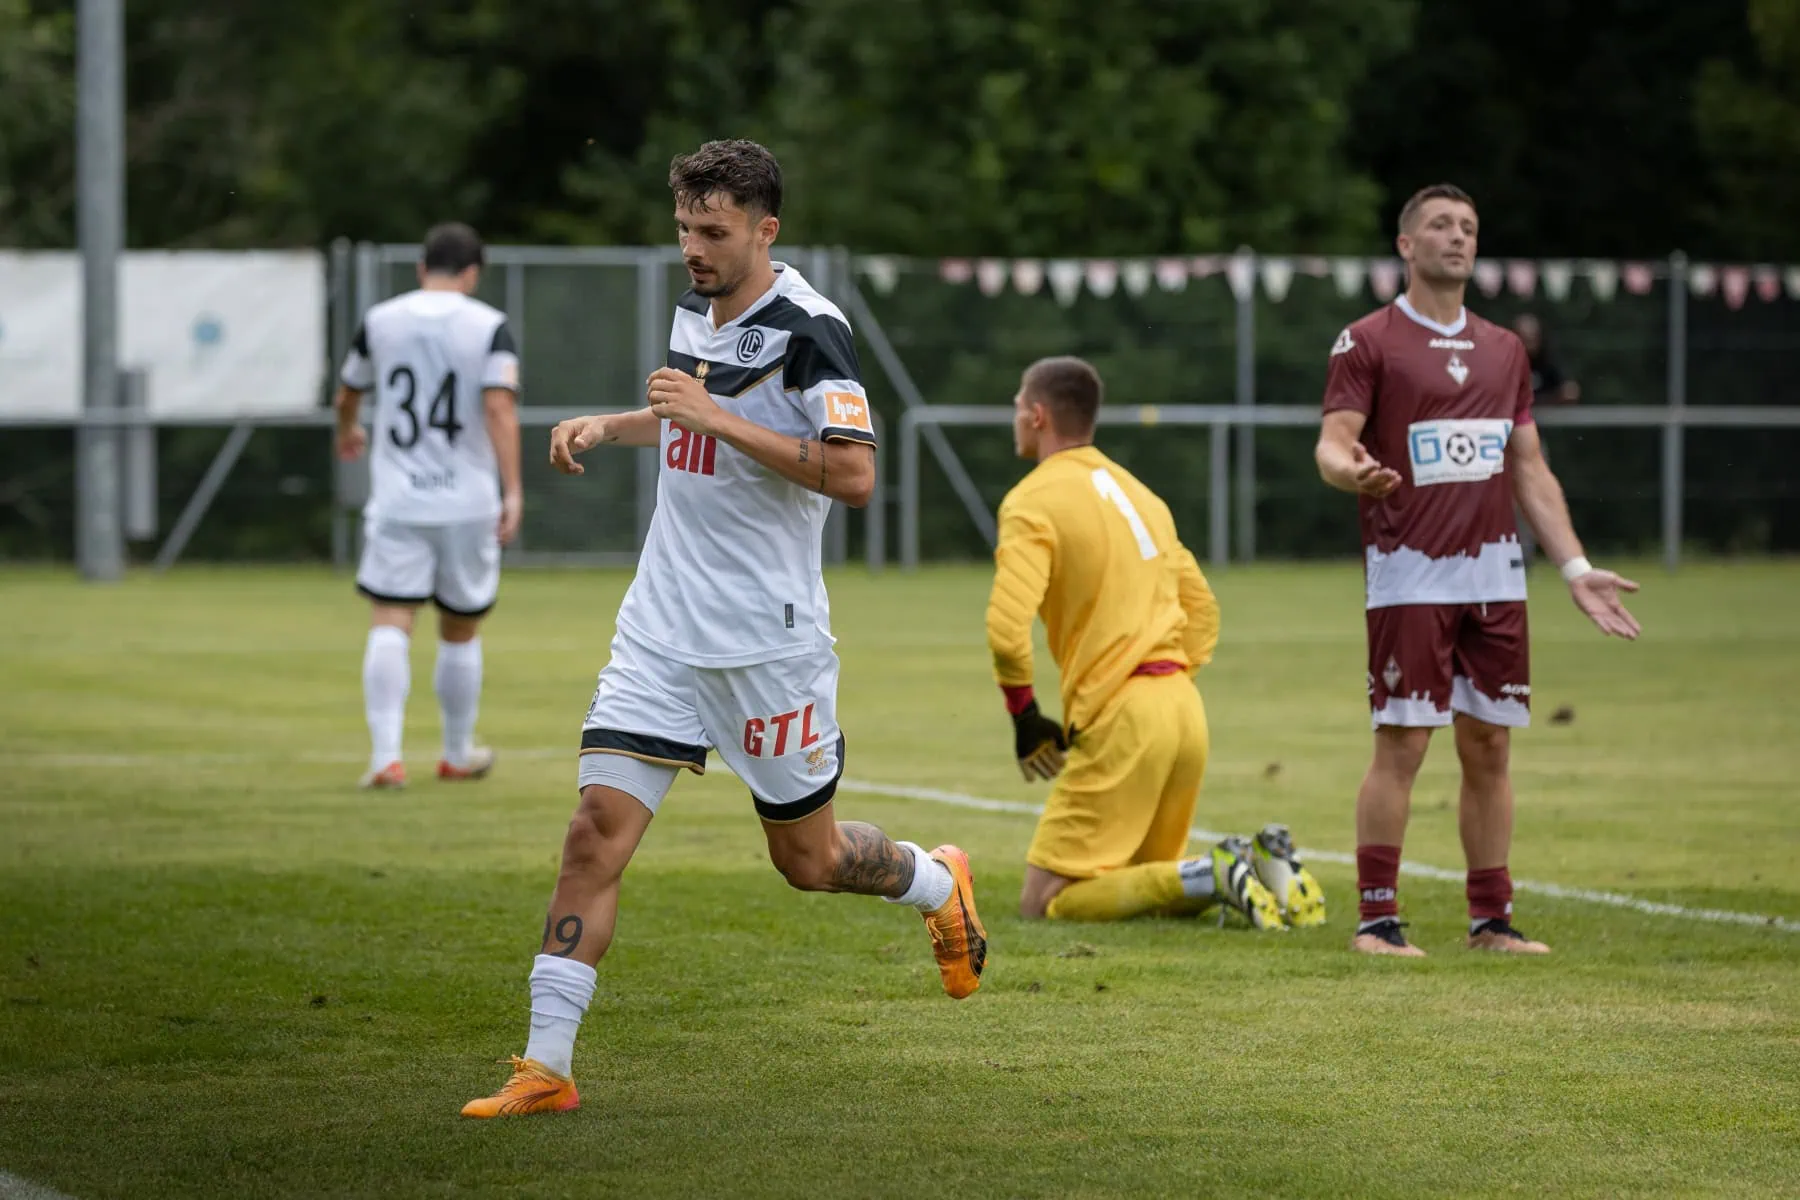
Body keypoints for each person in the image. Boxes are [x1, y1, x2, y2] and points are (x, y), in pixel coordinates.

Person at [460, 140, 986, 1119]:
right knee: (592, 836)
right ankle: (546, 1067)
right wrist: (611, 426)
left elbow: (854, 474)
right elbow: (688, 417)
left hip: (767, 642)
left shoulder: (812, 329)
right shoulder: (696, 311)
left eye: (713, 231)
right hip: (661, 631)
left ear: (765, 230)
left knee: (809, 863)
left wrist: (712, 417)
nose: (694, 249)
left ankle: (933, 880)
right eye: (684, 229)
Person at [1314, 183, 1641, 958]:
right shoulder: (1367, 340)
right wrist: (1351, 471)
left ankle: (1491, 921)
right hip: (1410, 577)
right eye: (1440, 225)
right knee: (1404, 744)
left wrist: (1575, 566)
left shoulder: (1504, 349)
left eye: (1467, 226)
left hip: (1496, 580)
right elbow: (1332, 443)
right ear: (1406, 245)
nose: (1457, 236)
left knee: (1490, 746)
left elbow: (1528, 466)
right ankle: (1377, 921)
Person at [987, 356, 1325, 930]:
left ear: (1038, 416)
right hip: (1183, 709)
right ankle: (1261, 868)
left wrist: (1023, 713)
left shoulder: (1031, 500)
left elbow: (1005, 627)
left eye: (1018, 405)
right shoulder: (1142, 495)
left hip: (1125, 717)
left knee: (1042, 902)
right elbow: (1202, 608)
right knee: (1141, 881)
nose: (1014, 416)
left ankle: (1214, 872)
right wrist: (1166, 680)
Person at [333, 222, 522, 789]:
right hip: (467, 500)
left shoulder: (380, 320)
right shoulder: (489, 326)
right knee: (460, 627)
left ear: (422, 268)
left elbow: (348, 391)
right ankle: (456, 752)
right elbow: (499, 409)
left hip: (400, 499)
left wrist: (348, 429)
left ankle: (385, 758)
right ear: (472, 273)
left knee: (391, 620)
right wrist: (513, 489)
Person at [1512, 313, 1581, 406]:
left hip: (1547, 411)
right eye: (1525, 339)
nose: (1529, 345)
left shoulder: (1548, 359)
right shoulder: (1508, 363)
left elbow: (1570, 391)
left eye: (1533, 338)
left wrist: (1552, 399)